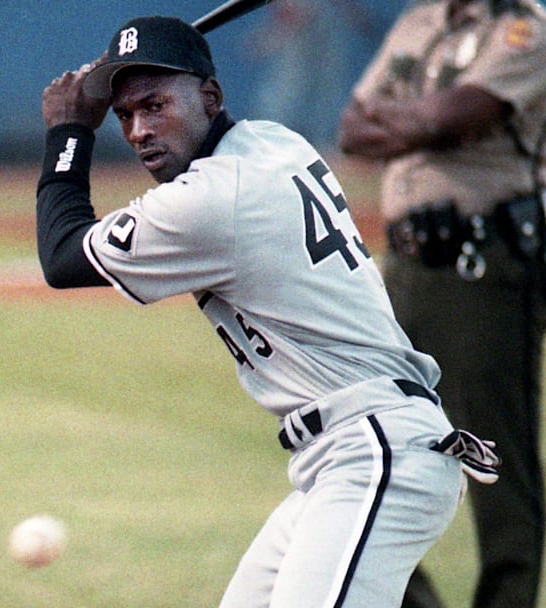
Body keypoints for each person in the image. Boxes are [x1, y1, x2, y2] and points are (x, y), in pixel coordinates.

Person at [36, 15, 501, 607]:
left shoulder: (212, 198)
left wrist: (69, 133)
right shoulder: (274, 141)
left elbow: (61, 257)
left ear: (211, 96)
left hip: (374, 451)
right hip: (344, 457)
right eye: (125, 114)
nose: (138, 130)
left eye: (155, 105)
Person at [338, 1, 546, 607]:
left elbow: (453, 115)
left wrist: (412, 121)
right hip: (403, 264)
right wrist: (421, 121)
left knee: (497, 458)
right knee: (377, 441)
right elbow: (353, 129)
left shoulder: (522, 27)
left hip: (482, 261)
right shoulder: (420, 21)